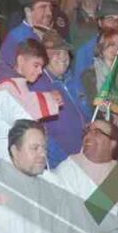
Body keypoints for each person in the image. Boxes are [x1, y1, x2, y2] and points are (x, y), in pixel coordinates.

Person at [54, 119, 118, 233]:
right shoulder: (70, 167)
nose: (88, 135)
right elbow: (70, 217)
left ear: (112, 143)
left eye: (97, 132)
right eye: (87, 131)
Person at [0, 38, 62, 163]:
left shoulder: (18, 82)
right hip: (5, 154)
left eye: (41, 67)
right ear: (21, 60)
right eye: (36, 65)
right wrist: (49, 99)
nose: (40, 71)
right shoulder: (6, 84)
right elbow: (22, 111)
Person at [34, 30, 88, 168]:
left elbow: (85, 112)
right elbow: (40, 129)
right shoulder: (38, 84)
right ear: (44, 57)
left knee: (116, 182)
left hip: (85, 152)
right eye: (56, 53)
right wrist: (62, 160)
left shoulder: (73, 80)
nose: (63, 57)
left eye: (65, 52)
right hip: (62, 161)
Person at [0, 0, 55, 66]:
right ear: (28, 11)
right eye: (43, 7)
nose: (49, 13)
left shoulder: (48, 36)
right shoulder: (18, 38)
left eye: (50, 8)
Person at [73, 0, 118, 80]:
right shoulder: (86, 50)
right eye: (110, 19)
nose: (115, 24)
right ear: (100, 22)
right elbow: (79, 84)